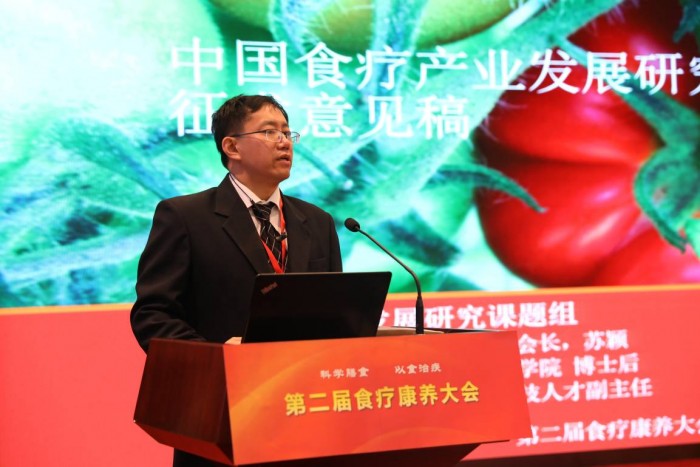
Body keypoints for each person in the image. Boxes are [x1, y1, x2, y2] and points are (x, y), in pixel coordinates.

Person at [130, 94, 343, 467]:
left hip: (305, 413)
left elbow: (336, 313)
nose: (284, 142)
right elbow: (153, 315)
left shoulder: (317, 221)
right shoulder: (185, 216)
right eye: (269, 131)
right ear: (232, 147)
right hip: (221, 419)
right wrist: (218, 361)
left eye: (288, 132)